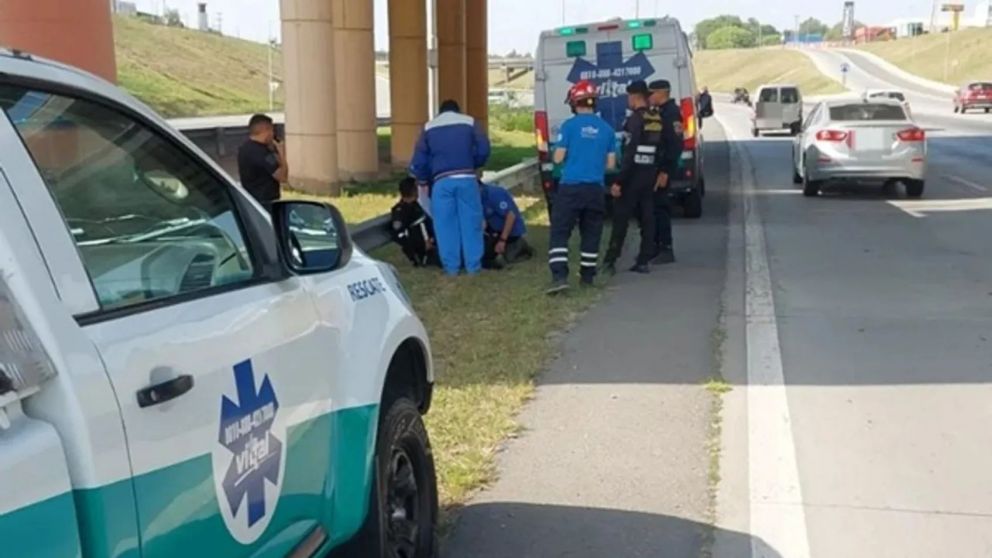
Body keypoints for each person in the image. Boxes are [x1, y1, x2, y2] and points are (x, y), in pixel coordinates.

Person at [546, 80, 616, 295]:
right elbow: (611, 165)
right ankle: (587, 277)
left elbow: (558, 158)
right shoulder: (607, 129)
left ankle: (560, 277)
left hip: (571, 188)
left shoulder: (568, 126)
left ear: (574, 103)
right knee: (592, 232)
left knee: (560, 232)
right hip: (595, 188)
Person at [410, 100, 491, 276]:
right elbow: (484, 148)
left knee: (445, 225)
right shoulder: (470, 122)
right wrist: (474, 163)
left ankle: (451, 267)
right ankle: (473, 266)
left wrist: (423, 179)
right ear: (458, 110)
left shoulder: (428, 127)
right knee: (471, 223)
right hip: (467, 178)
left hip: (441, 181)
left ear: (440, 112)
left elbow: (419, 160)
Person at [603, 80, 660, 275]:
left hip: (633, 176)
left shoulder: (634, 120)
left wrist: (619, 181)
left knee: (621, 219)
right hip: (649, 174)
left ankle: (610, 261)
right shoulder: (655, 118)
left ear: (635, 97)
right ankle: (644, 259)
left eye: (629, 97)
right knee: (647, 218)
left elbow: (629, 153)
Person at [648, 79, 684, 265]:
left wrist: (665, 171)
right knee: (653, 208)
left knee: (661, 208)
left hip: (663, 169)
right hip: (656, 167)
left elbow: (675, 145)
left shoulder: (671, 114)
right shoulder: (661, 112)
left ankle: (666, 248)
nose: (649, 97)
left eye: (651, 93)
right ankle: (655, 246)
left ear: (661, 93)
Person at [480, 180, 534, 269]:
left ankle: (521, 246)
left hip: (508, 232)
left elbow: (511, 216)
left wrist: (502, 240)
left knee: (509, 258)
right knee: (484, 259)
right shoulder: (474, 199)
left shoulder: (494, 193)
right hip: (492, 231)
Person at [237, 113, 287, 207]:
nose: (273, 134)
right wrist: (282, 154)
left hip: (253, 199)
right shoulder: (261, 152)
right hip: (265, 201)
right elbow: (282, 176)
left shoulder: (246, 147)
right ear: (266, 130)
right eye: (272, 130)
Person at [390, 177, 439, 268]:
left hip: (433, 241)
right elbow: (399, 234)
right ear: (414, 190)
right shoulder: (401, 211)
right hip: (422, 249)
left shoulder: (418, 205)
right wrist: (422, 245)